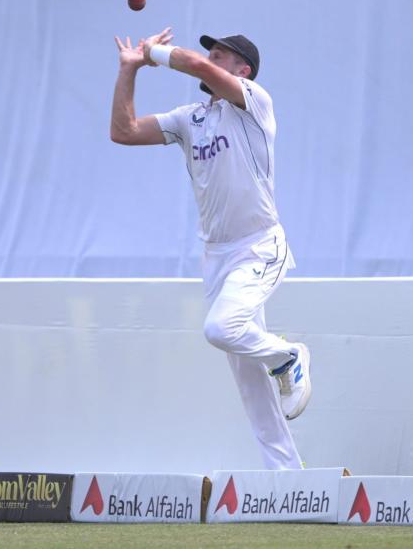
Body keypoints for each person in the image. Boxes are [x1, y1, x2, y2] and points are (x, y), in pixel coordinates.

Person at [109, 27, 312, 470]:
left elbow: (196, 65)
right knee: (247, 378)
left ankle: (289, 355)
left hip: (259, 245)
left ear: (244, 70)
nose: (211, 57)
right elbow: (122, 131)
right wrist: (130, 70)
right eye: (211, 52)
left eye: (222, 53)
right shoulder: (190, 118)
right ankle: (287, 478)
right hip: (216, 256)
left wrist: (153, 52)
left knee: (221, 329)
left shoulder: (254, 101)